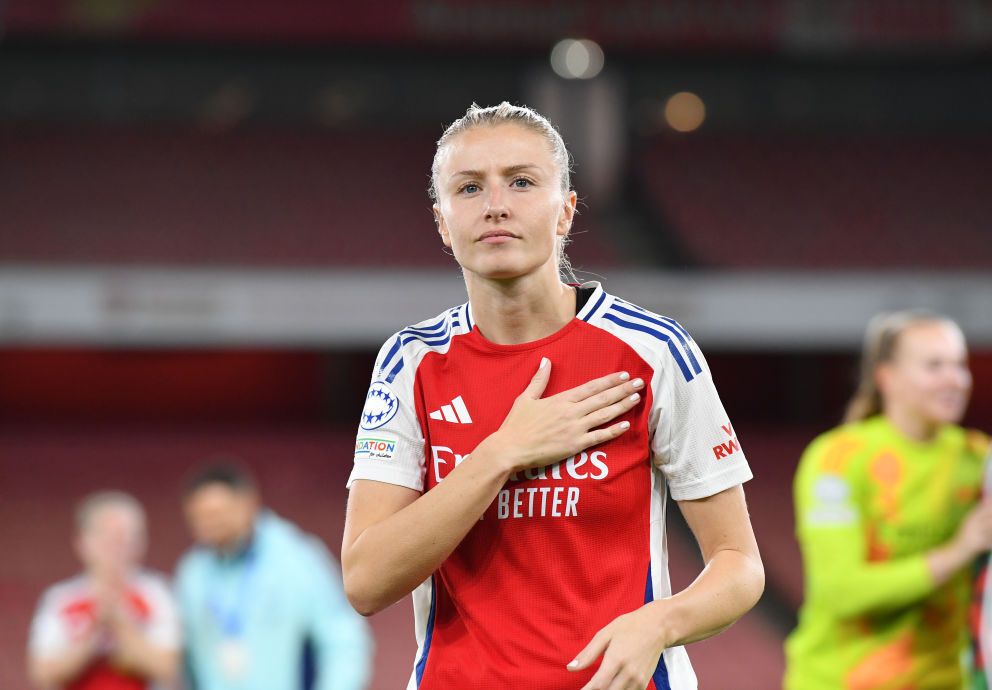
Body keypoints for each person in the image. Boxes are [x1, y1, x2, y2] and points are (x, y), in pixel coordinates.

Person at [342, 102, 764, 689]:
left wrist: (660, 624)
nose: (495, 204)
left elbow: (739, 564)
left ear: (564, 210)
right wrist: (501, 453)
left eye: (521, 181)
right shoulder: (412, 361)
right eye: (468, 188)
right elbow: (365, 580)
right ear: (443, 223)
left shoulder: (654, 351)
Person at [784, 310, 992, 689]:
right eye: (934, 366)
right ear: (887, 377)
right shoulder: (839, 458)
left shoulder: (979, 460)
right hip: (839, 681)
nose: (956, 379)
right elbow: (842, 591)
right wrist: (959, 549)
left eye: (960, 364)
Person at [175, 463, 372, 690]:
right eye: (199, 517)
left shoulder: (297, 559)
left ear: (247, 503)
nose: (210, 525)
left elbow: (344, 641)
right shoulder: (192, 573)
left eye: (216, 513)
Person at [27, 491, 180, 690]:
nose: (117, 546)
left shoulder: (158, 594)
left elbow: (167, 667)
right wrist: (93, 631)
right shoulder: (61, 599)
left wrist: (120, 624)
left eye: (126, 536)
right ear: (82, 542)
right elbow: (43, 673)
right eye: (106, 536)